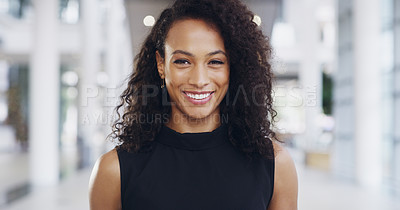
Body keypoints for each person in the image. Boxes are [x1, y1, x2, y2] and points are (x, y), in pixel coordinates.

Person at [89, 0, 298, 209]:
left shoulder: (274, 165)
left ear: (233, 68)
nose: (199, 80)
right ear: (161, 64)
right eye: (183, 61)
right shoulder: (114, 170)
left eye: (215, 62)